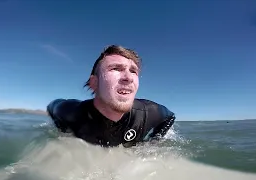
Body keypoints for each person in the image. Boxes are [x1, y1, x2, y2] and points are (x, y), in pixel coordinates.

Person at [47, 45, 176, 148]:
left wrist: (152, 145)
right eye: (116, 68)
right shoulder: (73, 113)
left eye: (133, 71)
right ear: (94, 83)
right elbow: (53, 106)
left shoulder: (147, 113)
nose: (128, 78)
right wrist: (63, 135)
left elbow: (170, 117)